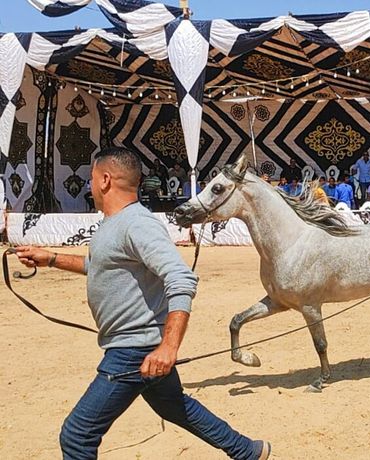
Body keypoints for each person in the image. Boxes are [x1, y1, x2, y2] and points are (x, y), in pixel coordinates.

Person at [15, 147, 270, 460]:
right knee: (176, 408)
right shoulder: (116, 223)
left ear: (105, 179)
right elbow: (100, 266)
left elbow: (181, 279)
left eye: (92, 178)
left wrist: (169, 347)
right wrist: (51, 259)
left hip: (132, 350)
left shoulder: (137, 224)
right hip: (138, 347)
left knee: (77, 435)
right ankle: (247, 450)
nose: (89, 185)